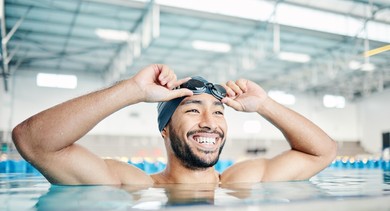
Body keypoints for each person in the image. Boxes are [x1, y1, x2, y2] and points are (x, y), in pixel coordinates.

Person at [12, 64, 337, 185]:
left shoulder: (243, 179)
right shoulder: (133, 184)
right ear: (165, 128)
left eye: (219, 112)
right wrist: (132, 90)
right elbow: (33, 142)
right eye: (193, 111)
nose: (210, 123)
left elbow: (323, 153)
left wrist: (265, 104)